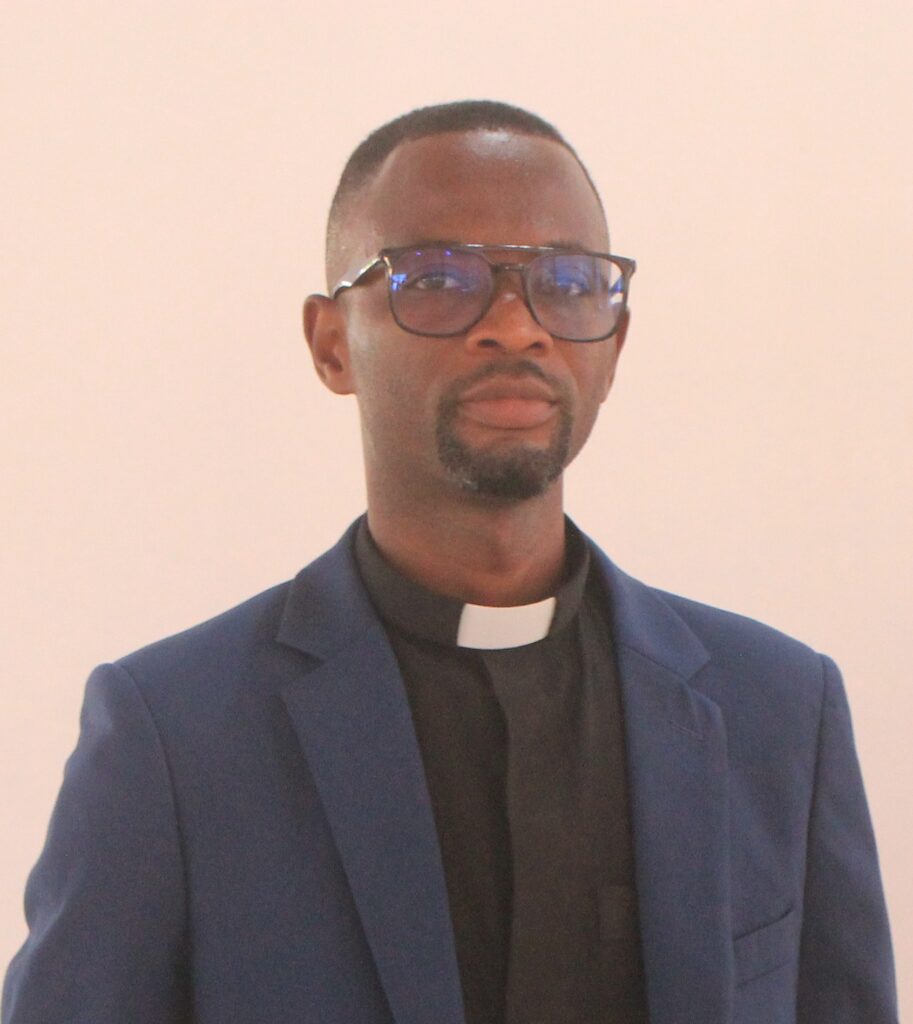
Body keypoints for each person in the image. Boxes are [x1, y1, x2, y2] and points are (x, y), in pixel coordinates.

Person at [2, 100, 897, 1024]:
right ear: (331, 344)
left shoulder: (777, 710)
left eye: (566, 281)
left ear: (615, 344)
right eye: (436, 277)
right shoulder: (173, 734)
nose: (515, 325)